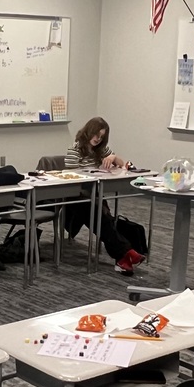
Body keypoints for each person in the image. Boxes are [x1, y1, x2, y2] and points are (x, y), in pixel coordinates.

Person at [63, 117, 145, 276]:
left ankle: (124, 258)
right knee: (100, 218)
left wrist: (113, 158)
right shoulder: (75, 150)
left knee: (103, 219)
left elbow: (122, 163)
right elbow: (72, 177)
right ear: (88, 132)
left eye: (101, 137)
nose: (97, 139)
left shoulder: (101, 149)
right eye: (95, 135)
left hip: (95, 195)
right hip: (75, 198)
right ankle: (126, 253)